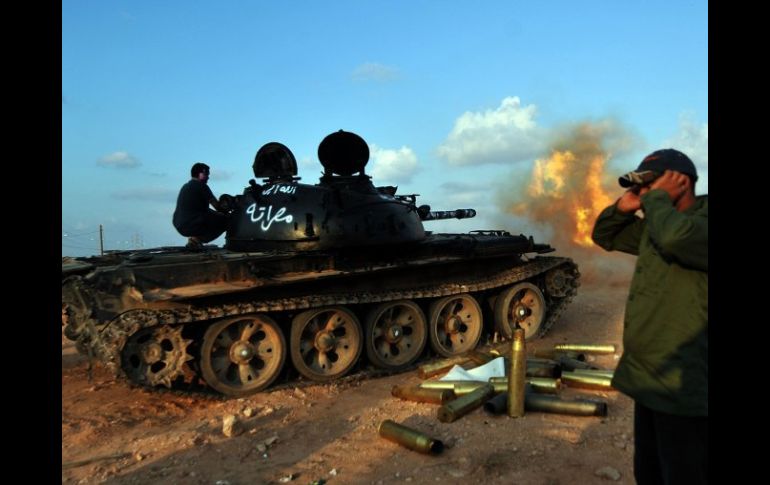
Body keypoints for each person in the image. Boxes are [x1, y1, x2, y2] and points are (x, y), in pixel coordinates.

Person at [591, 148, 707, 485]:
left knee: (684, 473)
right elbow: (605, 236)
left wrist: (656, 200)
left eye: (650, 184)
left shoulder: (696, 223)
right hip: (649, 378)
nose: (644, 192)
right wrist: (621, 208)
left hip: (685, 382)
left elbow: (675, 238)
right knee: (650, 471)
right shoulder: (657, 224)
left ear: (681, 181)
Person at [173, 162, 230, 249]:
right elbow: (217, 207)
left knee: (212, 215)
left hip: (179, 224)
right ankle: (197, 240)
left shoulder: (185, 186)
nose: (208, 177)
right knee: (227, 221)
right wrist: (228, 209)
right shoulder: (201, 186)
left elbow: (206, 210)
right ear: (201, 174)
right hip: (191, 224)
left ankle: (194, 240)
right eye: (207, 174)